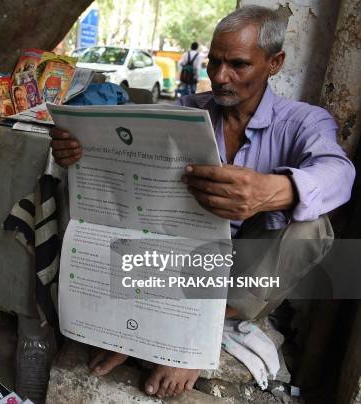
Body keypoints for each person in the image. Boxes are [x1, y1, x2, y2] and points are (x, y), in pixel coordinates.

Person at [49, 5, 355, 399]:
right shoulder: (186, 113)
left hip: (245, 276)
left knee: (313, 227)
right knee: (77, 187)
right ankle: (125, 322)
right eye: (215, 63)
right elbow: (120, 162)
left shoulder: (303, 122)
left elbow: (339, 173)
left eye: (239, 65)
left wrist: (271, 191)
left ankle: (197, 334)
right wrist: (79, 150)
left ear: (274, 63)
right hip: (178, 259)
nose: (221, 77)